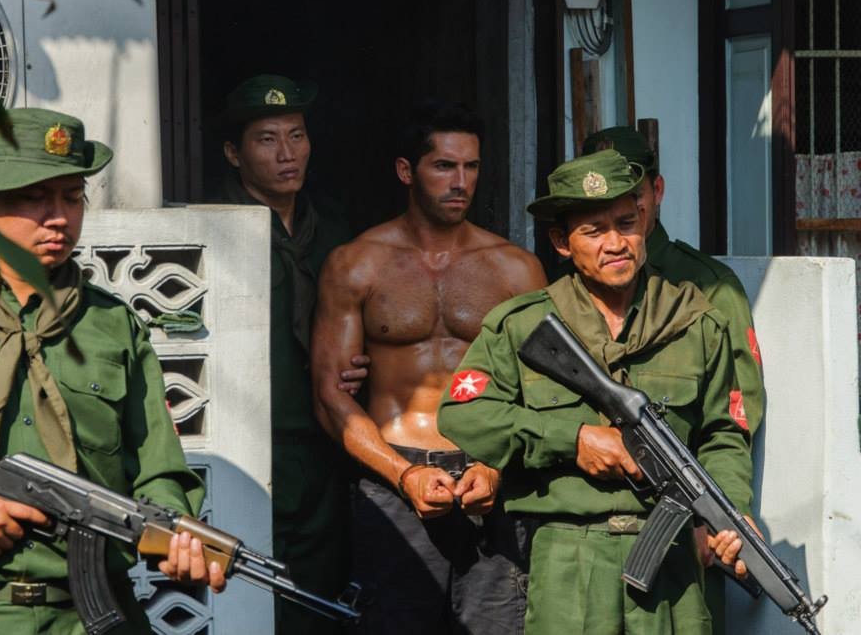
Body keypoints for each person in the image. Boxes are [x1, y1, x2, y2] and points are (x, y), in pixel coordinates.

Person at [0, 108, 224, 634]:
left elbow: (158, 468)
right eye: (34, 198)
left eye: (72, 198)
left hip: (94, 615)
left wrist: (173, 533)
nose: (59, 217)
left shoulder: (112, 324)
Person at [438, 149, 757, 635]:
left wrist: (731, 514)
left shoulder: (696, 322)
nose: (616, 242)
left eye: (626, 222)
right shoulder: (523, 326)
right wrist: (574, 439)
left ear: (645, 221)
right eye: (594, 230)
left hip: (672, 564)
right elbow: (464, 414)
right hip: (570, 561)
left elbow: (723, 434)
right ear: (562, 243)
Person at [311, 101, 548, 634]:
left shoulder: (515, 268)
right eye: (444, 166)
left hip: (488, 474)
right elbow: (331, 397)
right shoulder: (357, 263)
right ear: (406, 171)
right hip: (393, 477)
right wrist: (405, 474)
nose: (460, 182)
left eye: (471, 167)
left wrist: (497, 466)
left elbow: (542, 391)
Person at [582, 126, 766, 634]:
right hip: (587, 539)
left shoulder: (706, 286)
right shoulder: (566, 291)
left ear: (655, 192)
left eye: (633, 199)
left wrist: (722, 508)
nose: (619, 229)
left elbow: (735, 412)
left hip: (682, 523)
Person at [211, 74, 364, 635]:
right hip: (247, 442)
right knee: (245, 597)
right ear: (234, 152)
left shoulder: (335, 229)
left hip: (322, 443)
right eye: (267, 139)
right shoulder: (211, 228)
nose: (287, 154)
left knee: (317, 602)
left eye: (297, 136)